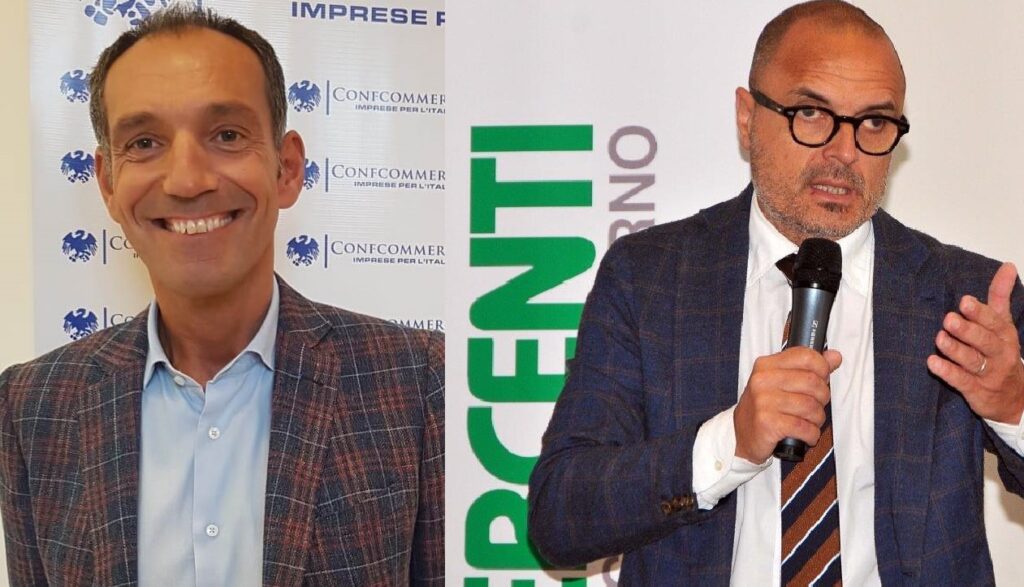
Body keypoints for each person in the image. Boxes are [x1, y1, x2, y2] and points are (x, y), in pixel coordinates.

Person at [528, 1, 1024, 584]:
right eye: (811, 113)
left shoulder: (966, 299)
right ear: (747, 117)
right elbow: (559, 521)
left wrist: (1015, 407)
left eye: (873, 123)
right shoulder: (650, 278)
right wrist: (730, 441)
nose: (844, 152)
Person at [0, 6, 443, 586]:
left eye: (227, 135)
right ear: (107, 183)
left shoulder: (417, 379)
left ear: (287, 168)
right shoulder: (31, 405)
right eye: (145, 142)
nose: (187, 180)